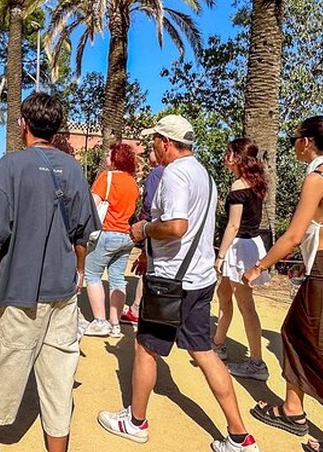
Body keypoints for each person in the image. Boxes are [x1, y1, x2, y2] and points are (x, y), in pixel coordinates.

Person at [98, 115, 262, 452]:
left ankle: (136, 421)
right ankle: (239, 435)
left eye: (154, 140)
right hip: (199, 277)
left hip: (170, 280)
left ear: (165, 142)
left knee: (145, 347)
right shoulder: (205, 174)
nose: (151, 147)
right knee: (204, 352)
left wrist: (144, 230)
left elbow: (176, 226)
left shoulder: (174, 174)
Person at [0, 92, 100, 452]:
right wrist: (79, 271)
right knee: (59, 377)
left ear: (24, 124)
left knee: (6, 361)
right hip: (64, 290)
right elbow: (83, 234)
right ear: (56, 128)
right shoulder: (74, 170)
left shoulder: (11, 166)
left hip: (21, 289)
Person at [243, 116, 323, 452]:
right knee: (293, 332)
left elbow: (295, 235)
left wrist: (259, 267)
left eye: (295, 137)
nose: (293, 142)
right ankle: (292, 410)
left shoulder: (316, 177)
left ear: (308, 141)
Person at [213, 138, 270, 381]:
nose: (225, 156)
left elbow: (233, 225)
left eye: (229, 153)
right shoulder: (255, 183)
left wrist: (221, 255)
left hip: (239, 248)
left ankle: (257, 363)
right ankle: (218, 343)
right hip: (250, 245)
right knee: (224, 294)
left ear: (238, 157)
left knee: (246, 307)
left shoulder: (238, 186)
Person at [81, 142, 140, 338]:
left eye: (109, 154)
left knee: (92, 274)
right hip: (126, 236)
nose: (106, 156)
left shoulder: (106, 177)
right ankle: (115, 323)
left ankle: (100, 321)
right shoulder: (132, 182)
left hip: (106, 233)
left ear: (116, 158)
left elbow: (91, 205)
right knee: (117, 278)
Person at [122, 148, 164, 327]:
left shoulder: (157, 173)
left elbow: (149, 205)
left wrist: (143, 231)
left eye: (151, 151)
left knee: (148, 268)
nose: (149, 156)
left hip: (153, 229)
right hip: (168, 232)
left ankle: (137, 309)